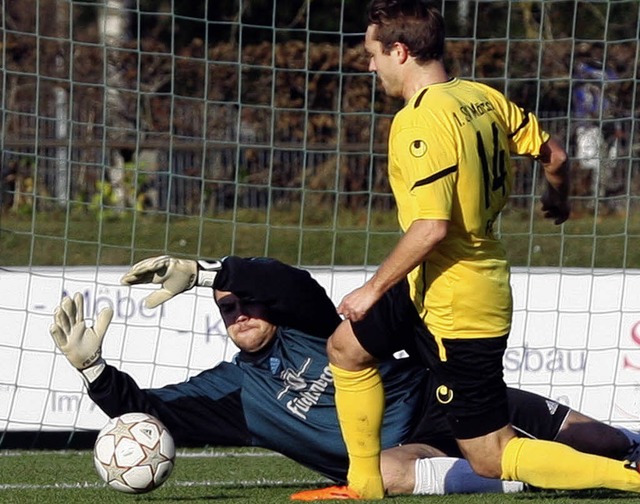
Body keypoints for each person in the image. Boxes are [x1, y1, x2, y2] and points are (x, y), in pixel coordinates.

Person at [292, 0, 640, 500]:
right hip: (430, 284)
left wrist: (371, 288)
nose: (369, 65)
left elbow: (431, 228)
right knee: (346, 349)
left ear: (400, 50)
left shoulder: (418, 123)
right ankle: (363, 487)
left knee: (491, 455)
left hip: (458, 303)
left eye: (373, 54)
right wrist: (556, 198)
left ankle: (631, 477)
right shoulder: (480, 97)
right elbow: (556, 155)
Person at [49, 255, 640, 496]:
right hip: (405, 451)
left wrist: (211, 273)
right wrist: (94, 371)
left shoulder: (309, 325)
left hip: (440, 396)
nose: (240, 313)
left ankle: (621, 455)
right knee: (382, 472)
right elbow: (150, 414)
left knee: (606, 443)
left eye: (245, 303)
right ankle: (543, 480)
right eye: (227, 309)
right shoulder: (234, 393)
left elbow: (292, 284)